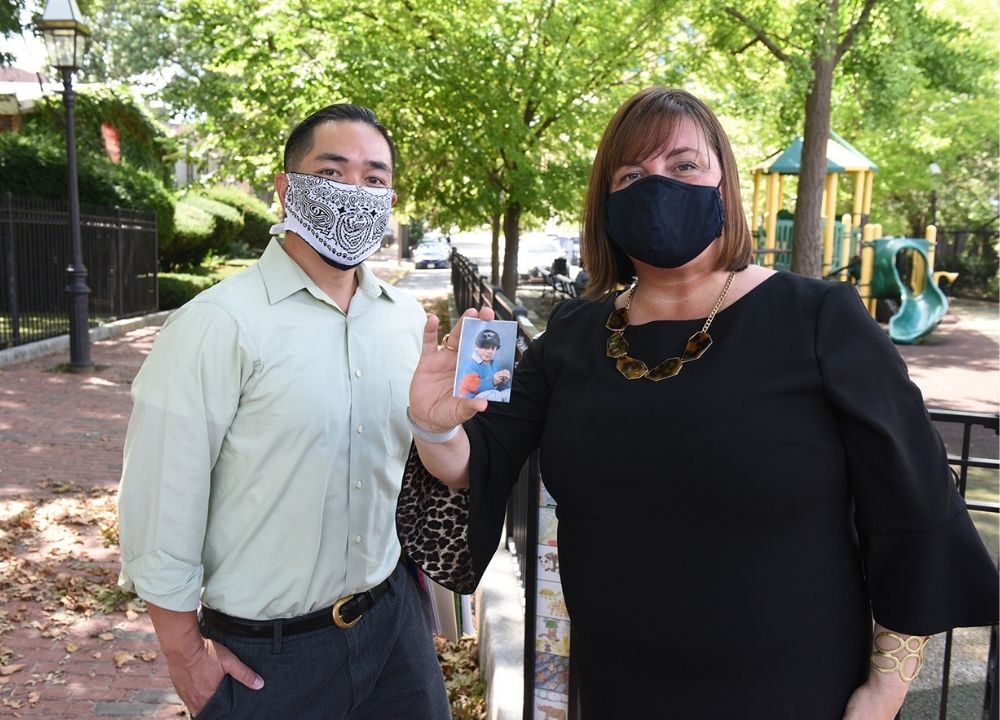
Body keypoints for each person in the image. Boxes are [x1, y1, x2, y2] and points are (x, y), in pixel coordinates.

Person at [405, 87, 998, 719]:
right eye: (631, 174)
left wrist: (885, 692)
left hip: (795, 692)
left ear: (725, 184)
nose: (655, 187)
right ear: (605, 201)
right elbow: (480, 462)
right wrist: (434, 425)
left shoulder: (820, 320)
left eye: (683, 166)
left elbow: (914, 500)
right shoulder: (572, 337)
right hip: (618, 690)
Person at [117, 104, 451, 720]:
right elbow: (162, 497)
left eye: (375, 179)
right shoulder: (217, 324)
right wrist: (183, 654)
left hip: (393, 630)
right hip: (269, 659)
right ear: (287, 188)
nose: (355, 192)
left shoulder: (406, 322)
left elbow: (428, 468)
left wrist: (444, 421)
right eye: (334, 170)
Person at [456, 328, 511, 401]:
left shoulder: (496, 365)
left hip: (492, 397)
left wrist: (504, 382)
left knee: (509, 392)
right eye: (486, 347)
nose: (490, 351)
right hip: (471, 400)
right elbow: (470, 385)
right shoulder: (469, 364)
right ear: (476, 347)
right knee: (494, 394)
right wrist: (492, 381)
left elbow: (501, 389)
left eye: (493, 348)